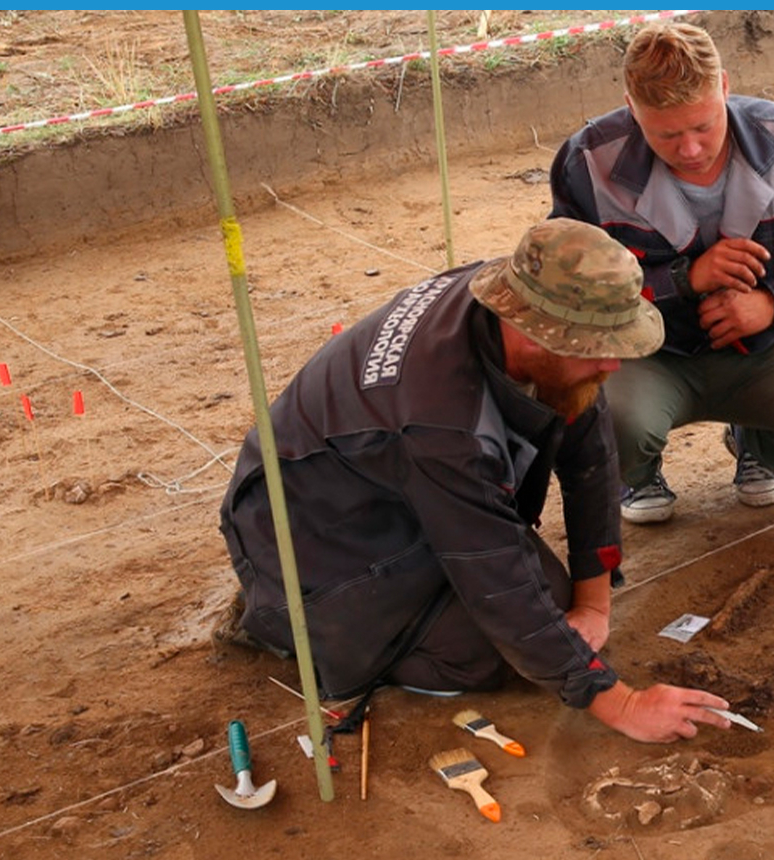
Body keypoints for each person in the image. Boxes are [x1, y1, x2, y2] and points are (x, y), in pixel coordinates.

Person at [218, 219, 734, 743]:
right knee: (495, 654)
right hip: (318, 535)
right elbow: (496, 578)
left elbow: (590, 459)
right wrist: (622, 703)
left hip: (391, 491)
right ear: (531, 330)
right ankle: (283, 618)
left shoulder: (525, 294)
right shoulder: (441, 420)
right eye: (594, 345)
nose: (611, 362)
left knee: (559, 614)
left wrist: (593, 605)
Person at [548, 20, 774, 524]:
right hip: (644, 355)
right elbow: (565, 291)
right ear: (630, 105)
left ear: (724, 86)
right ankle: (637, 473)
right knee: (598, 423)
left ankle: (755, 442)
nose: (690, 150)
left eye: (704, 126)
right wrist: (682, 280)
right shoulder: (588, 162)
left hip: (764, 351)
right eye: (665, 133)